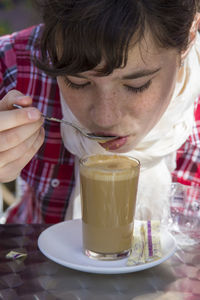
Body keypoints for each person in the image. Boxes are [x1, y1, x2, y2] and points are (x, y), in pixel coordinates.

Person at [0, 0, 200, 223]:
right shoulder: (14, 66)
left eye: (137, 85)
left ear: (189, 38)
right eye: (78, 82)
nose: (105, 119)